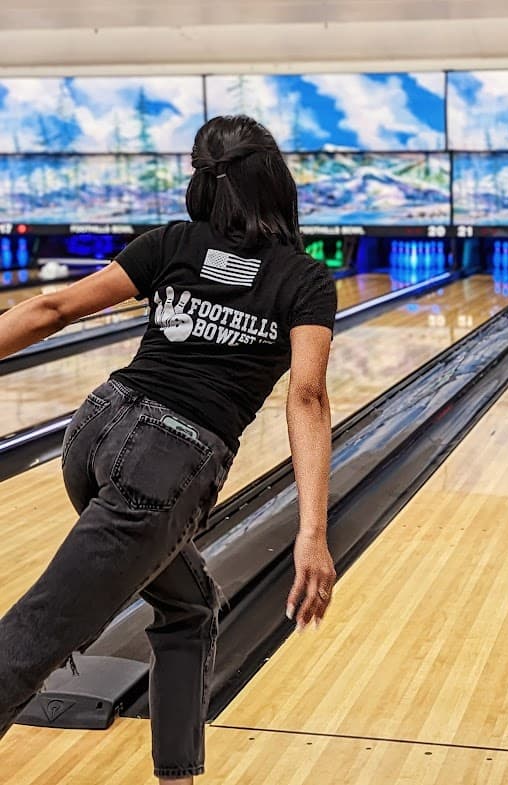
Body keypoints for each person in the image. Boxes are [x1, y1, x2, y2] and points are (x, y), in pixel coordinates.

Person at [0, 115, 337, 784]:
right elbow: (308, 397)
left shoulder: (171, 242)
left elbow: (51, 310)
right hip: (162, 471)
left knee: (189, 607)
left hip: (94, 433)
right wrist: (313, 532)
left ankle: (176, 776)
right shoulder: (304, 279)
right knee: (36, 635)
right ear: (278, 180)